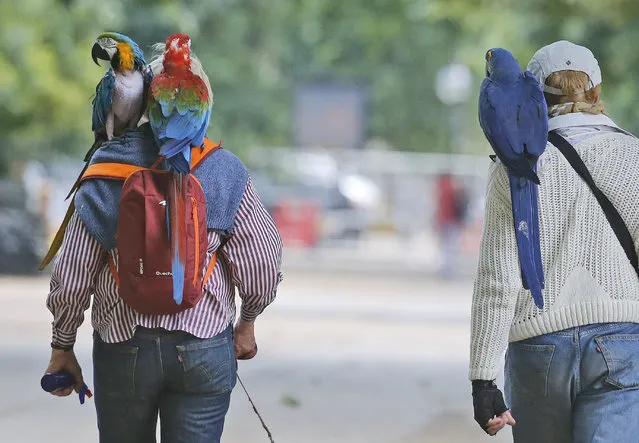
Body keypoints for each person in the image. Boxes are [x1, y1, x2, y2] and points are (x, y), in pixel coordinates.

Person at [43, 46, 283, 443]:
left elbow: (72, 277)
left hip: (122, 348)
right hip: (204, 344)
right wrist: (247, 322)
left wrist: (62, 344)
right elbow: (261, 264)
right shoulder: (223, 169)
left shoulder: (104, 168)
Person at [469, 40, 639, 442]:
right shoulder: (635, 157)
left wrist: (482, 379)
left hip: (537, 347)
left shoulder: (511, 169)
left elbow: (499, 279)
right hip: (623, 345)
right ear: (597, 92)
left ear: (535, 96)